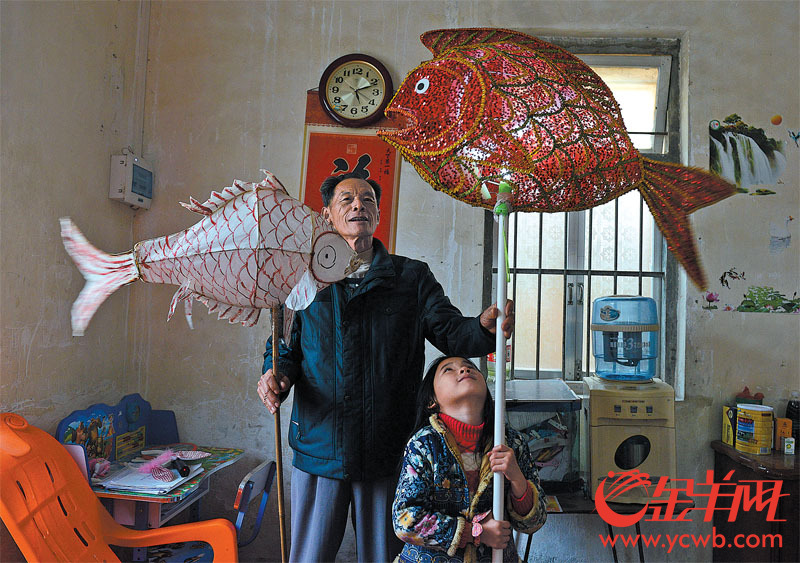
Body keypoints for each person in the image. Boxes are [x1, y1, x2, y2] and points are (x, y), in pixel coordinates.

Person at [257, 171, 514, 562]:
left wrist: (482, 328)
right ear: (327, 215)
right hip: (320, 444)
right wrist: (276, 376)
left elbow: (449, 331)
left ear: (377, 214)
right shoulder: (302, 278)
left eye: (367, 199)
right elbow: (284, 347)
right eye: (346, 199)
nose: (358, 205)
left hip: (387, 446)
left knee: (386, 556)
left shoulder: (410, 278)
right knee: (309, 556)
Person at [393, 356, 547, 562]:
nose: (464, 370)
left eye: (470, 367)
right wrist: (476, 532)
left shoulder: (511, 443)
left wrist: (517, 479)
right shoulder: (424, 444)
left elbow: (534, 522)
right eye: (448, 370)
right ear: (431, 401)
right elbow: (404, 520)